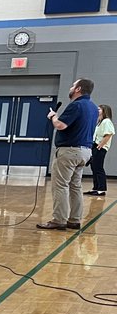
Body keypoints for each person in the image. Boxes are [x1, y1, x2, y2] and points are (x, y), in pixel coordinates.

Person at [38, 79, 99, 231]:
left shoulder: (76, 105)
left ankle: (59, 220)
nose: (70, 88)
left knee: (60, 185)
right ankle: (74, 220)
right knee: (75, 186)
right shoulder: (93, 107)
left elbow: (61, 125)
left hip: (69, 151)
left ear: (78, 89)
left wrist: (53, 116)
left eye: (72, 85)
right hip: (85, 151)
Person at [86, 103, 111, 197]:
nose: (97, 111)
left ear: (104, 111)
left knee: (98, 167)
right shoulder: (99, 122)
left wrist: (100, 145)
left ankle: (101, 189)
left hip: (100, 147)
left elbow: (108, 134)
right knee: (94, 167)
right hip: (95, 145)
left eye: (99, 109)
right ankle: (96, 187)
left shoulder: (107, 121)